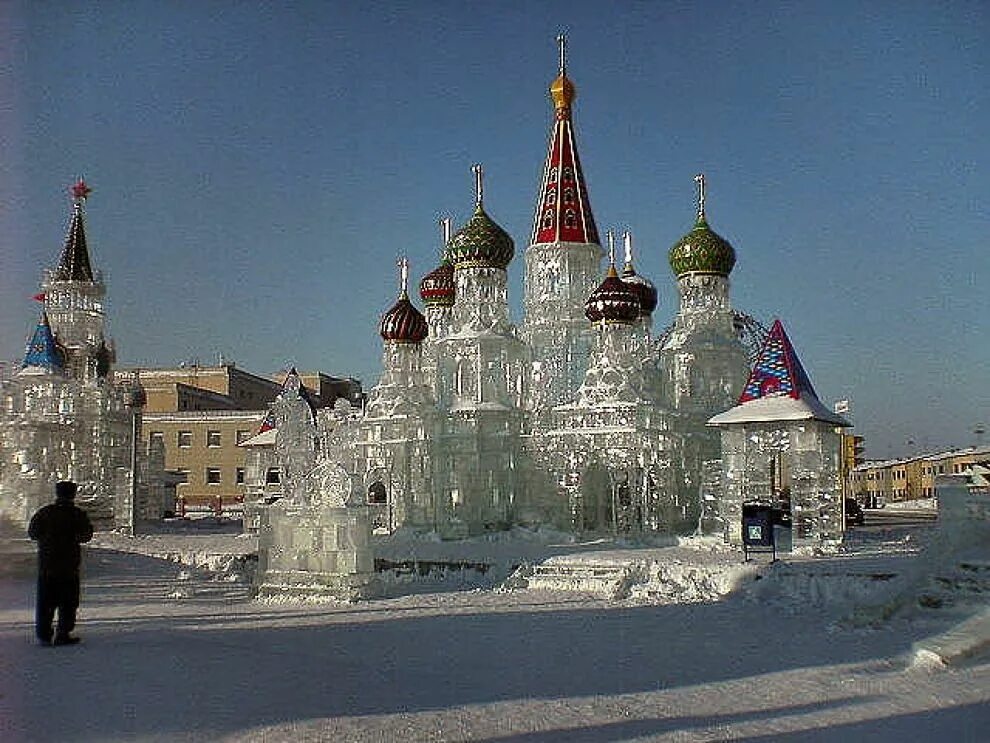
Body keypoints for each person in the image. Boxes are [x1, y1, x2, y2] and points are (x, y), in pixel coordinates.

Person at [28, 481, 94, 646]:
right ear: (73, 494)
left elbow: (33, 533)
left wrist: (47, 539)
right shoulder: (77, 514)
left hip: (47, 564)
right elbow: (86, 535)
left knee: (46, 601)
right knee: (68, 601)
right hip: (69, 565)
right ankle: (63, 633)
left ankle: (44, 634)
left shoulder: (45, 512)